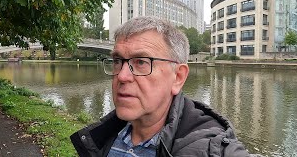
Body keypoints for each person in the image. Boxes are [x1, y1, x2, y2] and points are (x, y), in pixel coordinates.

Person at [70, 16, 251, 156]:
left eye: (141, 62)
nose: (122, 76)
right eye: (117, 61)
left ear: (178, 77)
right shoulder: (103, 136)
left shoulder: (212, 148)